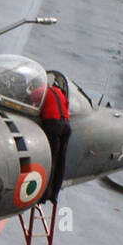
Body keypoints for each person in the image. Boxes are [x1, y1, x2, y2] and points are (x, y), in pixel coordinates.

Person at [38, 71, 71, 204]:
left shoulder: (41, 91)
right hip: (66, 125)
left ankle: (45, 194)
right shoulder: (59, 92)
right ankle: (55, 194)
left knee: (51, 159)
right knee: (61, 161)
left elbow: (33, 101)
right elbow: (66, 106)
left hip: (53, 125)